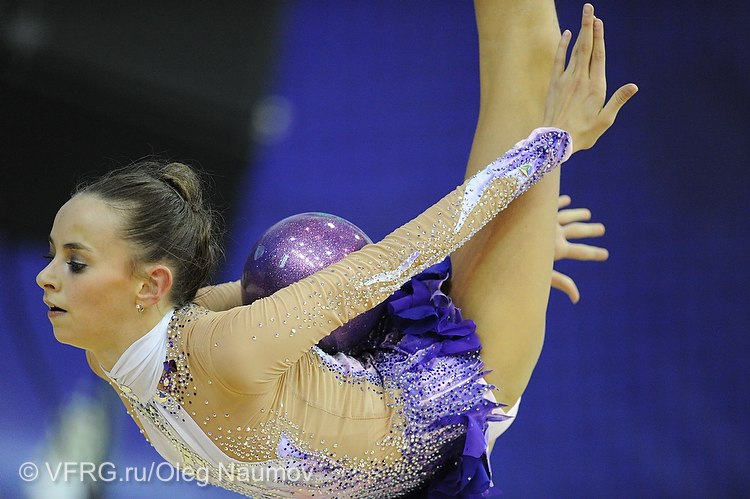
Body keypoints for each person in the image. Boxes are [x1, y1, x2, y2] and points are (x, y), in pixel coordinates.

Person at [36, 2, 636, 497]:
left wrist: (552, 148)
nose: (46, 277)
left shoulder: (228, 350)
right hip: (411, 426)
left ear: (151, 285)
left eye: (74, 261)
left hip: (468, 376)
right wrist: (514, 245)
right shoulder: (116, 351)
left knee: (523, 49)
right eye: (57, 255)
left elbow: (386, 264)